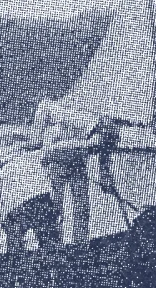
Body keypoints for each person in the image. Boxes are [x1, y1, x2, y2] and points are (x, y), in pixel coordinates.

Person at [38, 103, 119, 245]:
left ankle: (80, 245)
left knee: (82, 208)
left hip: (78, 163)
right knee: (56, 208)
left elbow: (104, 159)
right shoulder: (77, 119)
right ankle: (53, 246)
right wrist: (86, 145)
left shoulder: (103, 132)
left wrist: (107, 180)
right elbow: (51, 149)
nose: (96, 152)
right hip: (56, 161)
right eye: (97, 148)